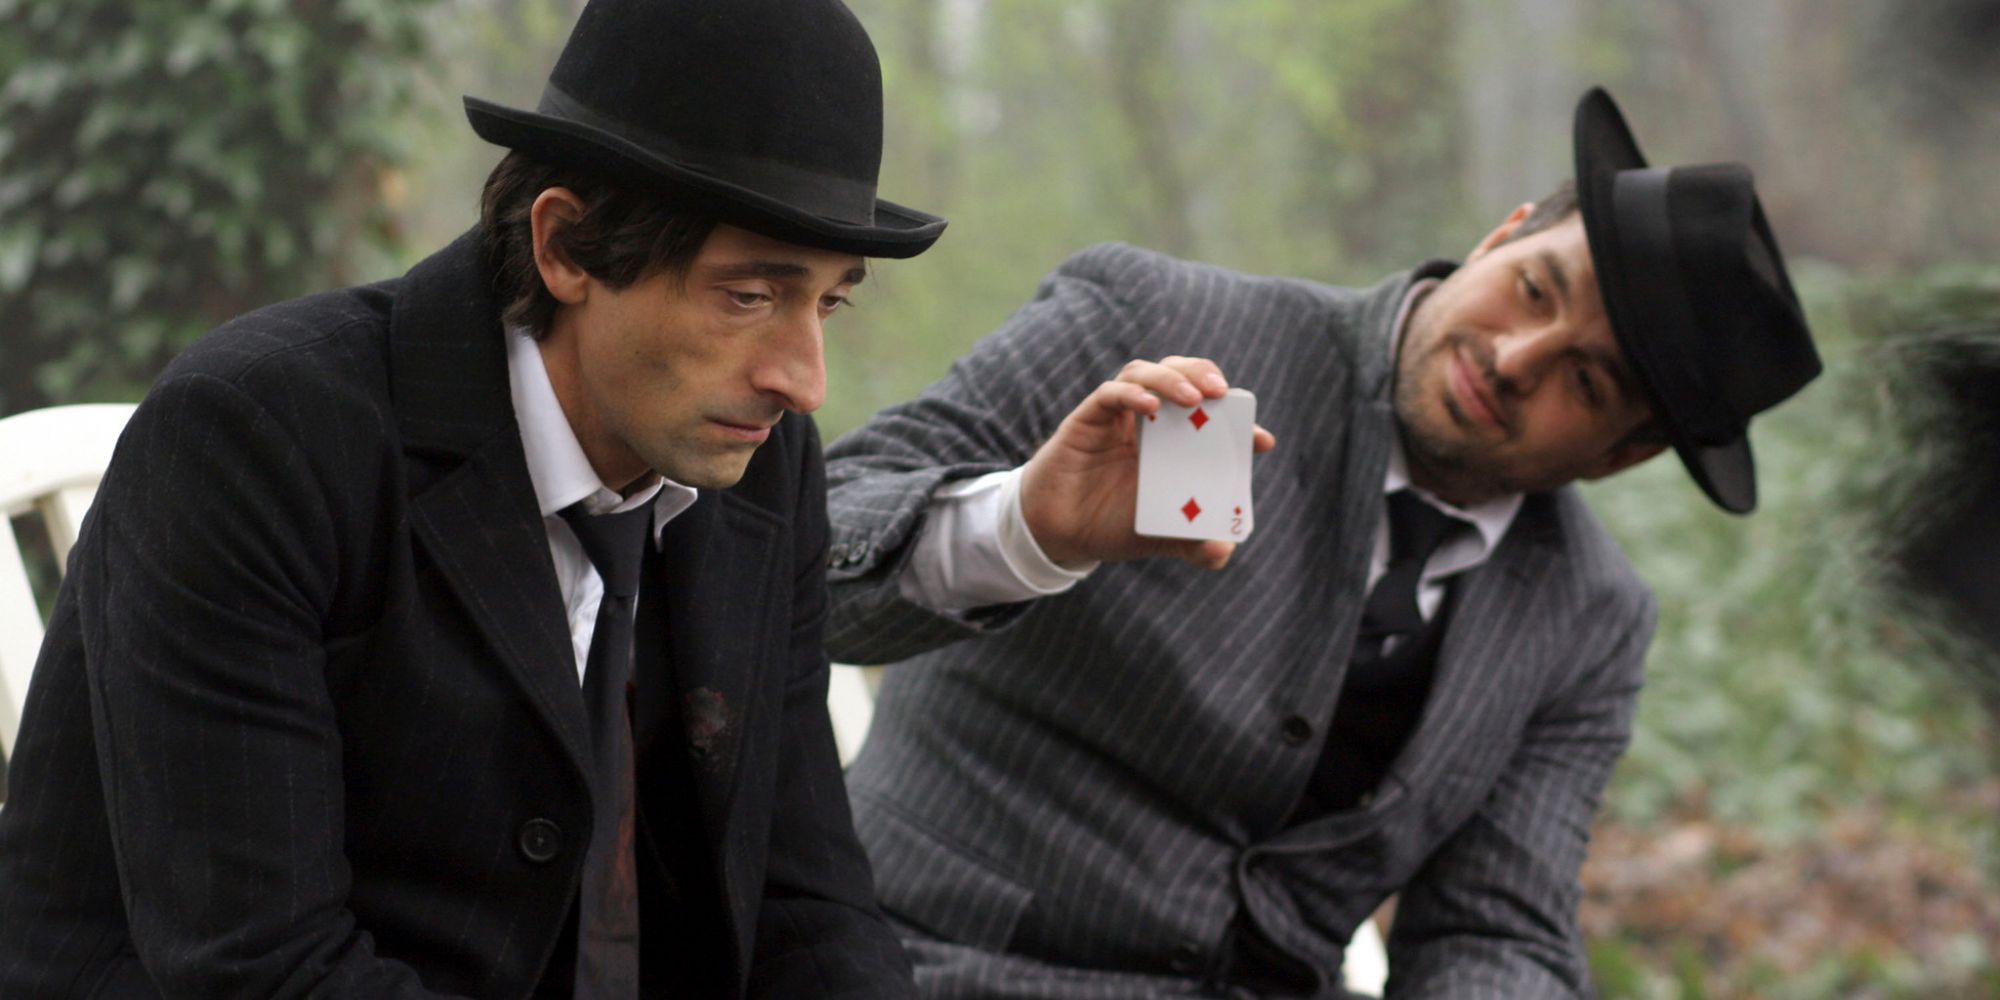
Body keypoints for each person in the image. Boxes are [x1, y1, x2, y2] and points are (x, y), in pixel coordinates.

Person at [0, 0, 940, 996]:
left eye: (829, 300)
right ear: (566, 248)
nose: (804, 379)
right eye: (748, 297)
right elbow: (263, 968)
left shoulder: (761, 462)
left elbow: (807, 903)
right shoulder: (254, 440)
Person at [822, 88, 1822, 997]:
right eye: (1532, 290)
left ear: (1620, 455)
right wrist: (1022, 527)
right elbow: (809, 555)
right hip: (926, 968)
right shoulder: (1157, 324)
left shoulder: (1589, 616)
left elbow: (1495, 924)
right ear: (1499, 235)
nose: (1516, 360)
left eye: (1588, 383)